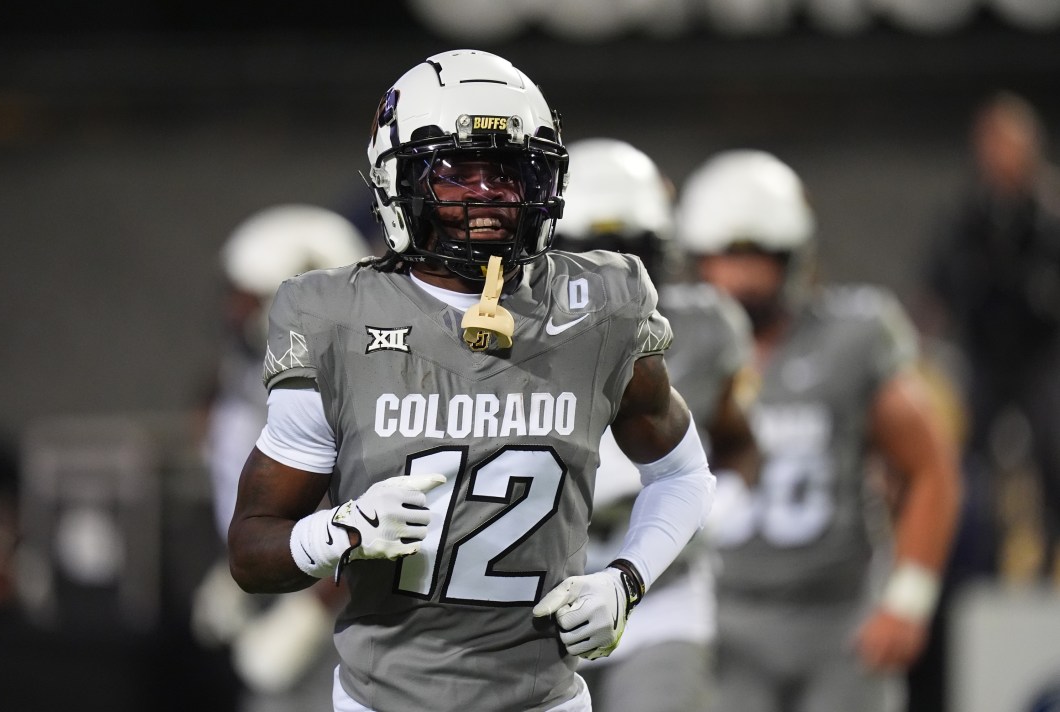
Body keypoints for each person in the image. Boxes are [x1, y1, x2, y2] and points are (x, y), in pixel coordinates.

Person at [226, 49, 716, 712]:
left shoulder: (602, 303)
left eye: (509, 173)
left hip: (542, 699)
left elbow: (683, 475)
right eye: (458, 173)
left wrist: (625, 581)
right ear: (398, 180)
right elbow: (254, 549)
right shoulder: (333, 316)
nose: (487, 196)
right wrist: (339, 532)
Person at [676, 149, 961, 712]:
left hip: (837, 617)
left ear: (795, 259)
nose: (739, 278)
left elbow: (932, 467)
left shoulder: (852, 337)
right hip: (719, 616)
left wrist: (907, 601)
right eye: (725, 257)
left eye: (758, 257)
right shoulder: (673, 345)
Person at [554, 137, 758, 712]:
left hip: (659, 591)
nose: (612, 270)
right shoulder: (512, 328)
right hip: (545, 597)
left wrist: (708, 505)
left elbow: (740, 440)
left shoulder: (703, 323)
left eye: (628, 249)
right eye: (592, 250)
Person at [192, 204, 371, 709]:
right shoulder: (255, 370)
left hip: (344, 604)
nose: (235, 312)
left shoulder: (355, 379)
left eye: (249, 299)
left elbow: (371, 502)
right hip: (283, 572)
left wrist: (308, 615)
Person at [921, 91, 1060, 582]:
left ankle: (1047, 568)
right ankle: (974, 564)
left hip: (1042, 358)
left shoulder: (1048, 214)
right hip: (982, 355)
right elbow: (937, 287)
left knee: (1052, 450)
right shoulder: (967, 215)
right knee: (965, 462)